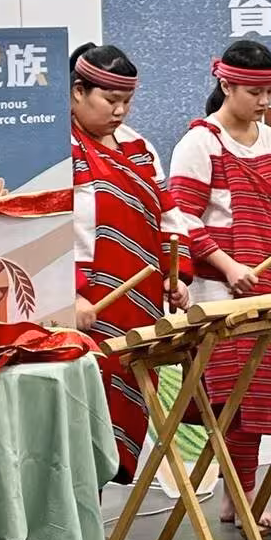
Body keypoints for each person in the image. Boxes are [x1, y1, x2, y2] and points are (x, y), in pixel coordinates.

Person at [168, 39, 271, 530]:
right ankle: (246, 497)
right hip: (219, 292)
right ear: (226, 84)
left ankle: (236, 498)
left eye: (270, 91)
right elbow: (183, 220)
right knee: (233, 398)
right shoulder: (199, 143)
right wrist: (229, 266)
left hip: (268, 287)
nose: (264, 101)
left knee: (256, 396)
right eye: (255, 92)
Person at [69, 41, 193, 487]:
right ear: (78, 92)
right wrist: (69, 295)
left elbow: (169, 216)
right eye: (110, 100)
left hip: (138, 303)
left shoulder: (139, 147)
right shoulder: (58, 150)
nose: (120, 111)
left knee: (126, 403)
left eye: (127, 101)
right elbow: (46, 234)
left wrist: (177, 276)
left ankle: (98, 510)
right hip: (87, 307)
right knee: (82, 416)